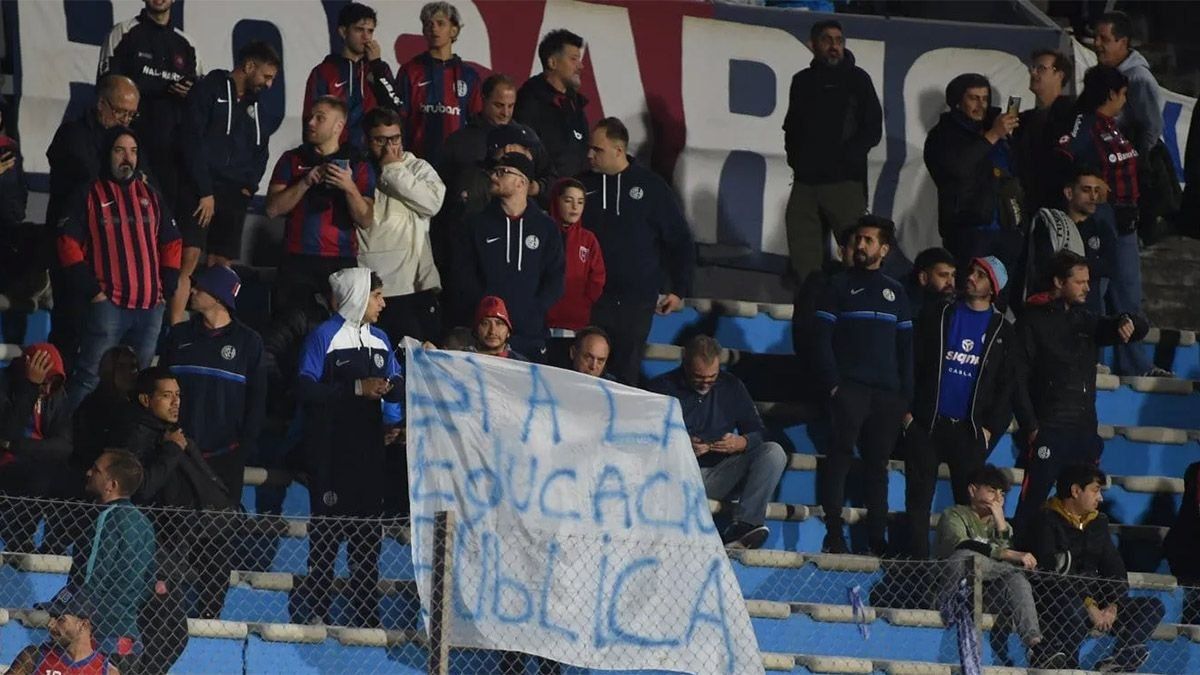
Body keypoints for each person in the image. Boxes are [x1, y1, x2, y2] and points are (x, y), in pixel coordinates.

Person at [290, 268, 402, 628]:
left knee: (368, 542)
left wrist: (421, 368)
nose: (383, 304)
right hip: (331, 455)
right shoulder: (323, 336)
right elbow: (304, 388)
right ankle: (317, 611)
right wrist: (355, 389)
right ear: (358, 295)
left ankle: (367, 616)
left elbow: (396, 388)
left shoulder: (383, 339)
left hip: (370, 455)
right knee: (325, 539)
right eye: (377, 295)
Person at [1011, 251, 1148, 528]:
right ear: (1058, 282)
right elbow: (1017, 379)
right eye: (1080, 281)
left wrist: (1127, 320)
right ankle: (1021, 564)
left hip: (1084, 431)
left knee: (1086, 508)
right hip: (1048, 430)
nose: (1088, 287)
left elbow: (1138, 328)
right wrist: (1032, 426)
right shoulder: (1030, 321)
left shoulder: (1086, 320)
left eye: (1089, 281)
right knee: (1031, 506)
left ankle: (1078, 567)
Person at [59, 127, 181, 409]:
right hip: (109, 305)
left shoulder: (151, 195)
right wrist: (93, 291)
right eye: (120, 150)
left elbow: (172, 242)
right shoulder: (88, 193)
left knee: (140, 383)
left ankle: (129, 444)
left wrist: (167, 285)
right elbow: (67, 243)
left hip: (150, 306)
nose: (128, 158)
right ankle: (68, 440)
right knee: (90, 377)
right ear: (107, 154)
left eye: (133, 151)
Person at [812, 215, 912, 555]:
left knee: (877, 466)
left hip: (886, 396)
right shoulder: (836, 286)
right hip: (850, 390)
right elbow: (821, 339)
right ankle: (834, 533)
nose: (860, 245)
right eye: (857, 239)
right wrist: (834, 386)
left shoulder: (896, 291)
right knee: (839, 456)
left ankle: (876, 539)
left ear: (883, 249)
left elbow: (906, 348)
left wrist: (904, 397)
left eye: (868, 240)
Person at [1057, 66, 1162, 377]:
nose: (1125, 100)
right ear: (1111, 94)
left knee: (1128, 293)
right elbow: (1064, 156)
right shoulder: (1084, 123)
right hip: (1101, 218)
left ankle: (1138, 365)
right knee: (1096, 290)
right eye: (1123, 94)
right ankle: (1093, 359)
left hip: (1125, 221)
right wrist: (1092, 192)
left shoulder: (1113, 127)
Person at [905, 257, 1013, 558]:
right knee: (917, 502)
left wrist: (989, 431)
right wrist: (908, 415)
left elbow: (1007, 388)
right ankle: (916, 572)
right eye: (972, 271)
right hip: (927, 424)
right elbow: (912, 360)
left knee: (969, 511)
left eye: (981, 275)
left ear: (993, 287)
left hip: (969, 431)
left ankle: (964, 573)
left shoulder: (1003, 330)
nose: (971, 278)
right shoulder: (939, 313)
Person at [172, 41, 280, 323]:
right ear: (248, 67)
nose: (269, 85)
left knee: (221, 268)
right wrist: (204, 190)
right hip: (201, 189)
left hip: (235, 195)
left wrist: (248, 188)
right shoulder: (210, 89)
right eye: (266, 77)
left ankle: (210, 329)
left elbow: (262, 151)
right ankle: (174, 330)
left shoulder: (257, 109)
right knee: (188, 259)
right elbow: (191, 140)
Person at [581, 117, 695, 385]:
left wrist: (679, 288)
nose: (590, 155)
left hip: (635, 302)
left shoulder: (652, 188)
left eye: (597, 150)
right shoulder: (582, 186)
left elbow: (679, 239)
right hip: (591, 297)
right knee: (584, 370)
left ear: (619, 151)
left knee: (624, 375)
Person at [1022, 464, 1165, 671]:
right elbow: (1054, 572)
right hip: (1056, 597)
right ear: (1075, 491)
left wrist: (1113, 605)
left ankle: (1121, 660)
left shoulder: (1099, 522)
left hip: (1095, 599)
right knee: (1075, 610)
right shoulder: (1045, 520)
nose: (1101, 499)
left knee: (1152, 607)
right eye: (1096, 491)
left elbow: (1114, 568)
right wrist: (1089, 605)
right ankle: (1067, 664)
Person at [647, 335, 786, 549]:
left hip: (720, 473)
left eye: (712, 377)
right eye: (698, 377)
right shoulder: (661, 389)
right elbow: (645, 439)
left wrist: (743, 442)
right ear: (685, 364)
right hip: (676, 475)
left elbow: (758, 432)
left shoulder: (731, 386)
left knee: (773, 452)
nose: (706, 383)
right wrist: (681, 446)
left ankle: (744, 527)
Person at [126, 367, 236, 624]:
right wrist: (172, 450)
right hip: (161, 533)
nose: (176, 402)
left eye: (178, 395)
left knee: (219, 553)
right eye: (167, 395)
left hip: (193, 526)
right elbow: (143, 489)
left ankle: (210, 617)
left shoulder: (177, 435)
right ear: (146, 400)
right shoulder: (138, 436)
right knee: (165, 615)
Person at [45, 75, 141, 370]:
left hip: (111, 257)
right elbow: (92, 181)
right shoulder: (72, 135)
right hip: (75, 251)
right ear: (101, 104)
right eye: (120, 111)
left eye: (131, 114)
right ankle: (56, 407)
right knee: (69, 332)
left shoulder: (127, 143)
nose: (125, 120)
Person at [781, 19, 882, 283]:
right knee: (804, 260)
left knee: (856, 254)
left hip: (844, 184)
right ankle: (809, 314)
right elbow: (791, 128)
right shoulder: (801, 81)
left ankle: (858, 307)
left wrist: (844, 160)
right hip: (805, 185)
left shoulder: (858, 79)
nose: (834, 46)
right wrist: (798, 162)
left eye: (839, 40)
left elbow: (872, 129)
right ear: (812, 45)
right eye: (827, 40)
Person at [160, 265, 267, 498]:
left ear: (218, 296)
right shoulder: (178, 336)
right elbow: (159, 388)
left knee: (221, 529)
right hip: (178, 451)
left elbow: (257, 401)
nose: (193, 291)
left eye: (200, 287)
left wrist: (242, 449)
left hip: (225, 457)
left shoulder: (249, 342)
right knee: (171, 528)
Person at [266, 95, 375, 319]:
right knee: (287, 326)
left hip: (340, 259)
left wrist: (349, 187)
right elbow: (272, 209)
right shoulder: (292, 159)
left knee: (341, 327)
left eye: (320, 118)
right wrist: (305, 182)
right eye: (310, 117)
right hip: (297, 258)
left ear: (338, 126)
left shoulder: (358, 164)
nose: (311, 123)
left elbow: (365, 219)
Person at [452, 152, 563, 359]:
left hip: (530, 334)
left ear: (521, 182)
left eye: (503, 172)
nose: (494, 177)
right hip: (487, 336)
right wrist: (485, 312)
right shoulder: (476, 224)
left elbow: (555, 277)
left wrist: (534, 310)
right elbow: (463, 273)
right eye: (494, 171)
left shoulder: (546, 227)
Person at [435, 75, 551, 269]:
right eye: (499, 105)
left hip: (518, 237)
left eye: (510, 106)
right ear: (483, 99)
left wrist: (535, 188)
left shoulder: (528, 139)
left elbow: (551, 177)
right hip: (470, 238)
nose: (505, 113)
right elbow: (440, 192)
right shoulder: (461, 141)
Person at [98, 0, 202, 212]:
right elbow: (106, 88)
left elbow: (200, 98)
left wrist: (191, 93)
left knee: (161, 225)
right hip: (129, 150)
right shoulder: (124, 32)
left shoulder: (187, 44)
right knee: (125, 217)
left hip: (171, 157)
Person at [934, 465, 1043, 663]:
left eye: (1001, 493)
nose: (997, 497)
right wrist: (1008, 555)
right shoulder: (954, 514)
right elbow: (962, 543)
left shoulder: (1001, 523)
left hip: (989, 594)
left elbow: (1005, 556)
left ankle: (1035, 645)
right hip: (954, 590)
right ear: (973, 490)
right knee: (968, 557)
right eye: (992, 490)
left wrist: (1001, 522)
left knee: (1016, 578)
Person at [358, 107, 445, 345]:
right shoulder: (359, 170)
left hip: (415, 288)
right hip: (372, 289)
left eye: (394, 139)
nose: (389, 147)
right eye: (380, 140)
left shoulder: (417, 168)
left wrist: (393, 169)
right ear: (367, 140)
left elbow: (432, 203)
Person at [66, 449, 155, 672]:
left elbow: (91, 574)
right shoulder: (144, 523)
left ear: (111, 485)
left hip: (100, 633)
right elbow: (150, 580)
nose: (88, 472)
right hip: (129, 635)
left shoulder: (108, 517)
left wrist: (69, 609)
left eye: (96, 470)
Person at [924, 73, 1023, 265]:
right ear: (957, 101)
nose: (981, 105)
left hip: (1006, 227)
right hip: (968, 230)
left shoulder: (994, 129)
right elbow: (957, 168)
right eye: (973, 98)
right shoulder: (943, 134)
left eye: (985, 99)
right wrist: (993, 135)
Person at [0, 344, 71, 552]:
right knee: (42, 475)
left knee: (72, 477)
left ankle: (53, 547)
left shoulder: (57, 394)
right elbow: (8, 431)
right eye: (44, 381)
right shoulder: (4, 384)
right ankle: (18, 538)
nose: (47, 389)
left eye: (54, 383)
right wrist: (29, 388)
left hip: (30, 457)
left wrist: (16, 446)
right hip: (6, 464)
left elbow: (64, 445)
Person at [302, 2, 401, 148]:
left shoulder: (380, 69)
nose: (366, 37)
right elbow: (310, 120)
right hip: (334, 157)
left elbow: (395, 109)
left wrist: (377, 68)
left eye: (370, 31)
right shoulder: (324, 72)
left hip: (372, 158)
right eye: (359, 30)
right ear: (343, 32)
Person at [395, 2, 483, 164]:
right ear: (423, 31)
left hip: (457, 164)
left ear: (454, 30)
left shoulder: (469, 76)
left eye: (440, 23)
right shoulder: (410, 71)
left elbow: (477, 124)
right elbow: (399, 118)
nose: (433, 28)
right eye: (428, 24)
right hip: (417, 162)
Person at [1024, 167, 1117, 313]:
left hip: (1089, 310)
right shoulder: (1051, 226)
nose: (1093, 197)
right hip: (1053, 310)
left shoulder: (1101, 228)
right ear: (1069, 193)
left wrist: (1074, 269)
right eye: (1086, 190)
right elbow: (1043, 264)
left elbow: (1111, 265)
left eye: (1096, 191)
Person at [545, 178, 606, 364]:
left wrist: (583, 302)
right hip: (542, 324)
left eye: (580, 202)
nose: (575, 207)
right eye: (568, 200)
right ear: (556, 201)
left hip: (575, 325)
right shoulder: (541, 232)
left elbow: (598, 278)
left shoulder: (588, 239)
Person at [515, 29, 589, 180]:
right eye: (574, 59)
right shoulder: (528, 102)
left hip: (572, 197)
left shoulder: (575, 104)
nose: (581, 66)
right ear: (552, 62)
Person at [1014, 49, 1075, 213]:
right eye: (1032, 68)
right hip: (1032, 206)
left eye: (1041, 68)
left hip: (1061, 208)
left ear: (1059, 75)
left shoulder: (1072, 116)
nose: (1033, 72)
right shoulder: (1024, 120)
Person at [9, 591, 120, 675]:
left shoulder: (107, 671)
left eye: (60, 619)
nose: (50, 624)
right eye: (51, 617)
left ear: (83, 625)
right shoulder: (33, 657)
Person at [467, 295, 527, 360]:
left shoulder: (522, 364)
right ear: (476, 331)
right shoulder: (458, 360)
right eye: (485, 324)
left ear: (508, 332)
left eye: (499, 324)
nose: (492, 331)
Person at [904, 247, 957, 316]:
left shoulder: (958, 303)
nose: (950, 282)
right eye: (943, 275)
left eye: (953, 275)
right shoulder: (905, 306)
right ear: (923, 278)